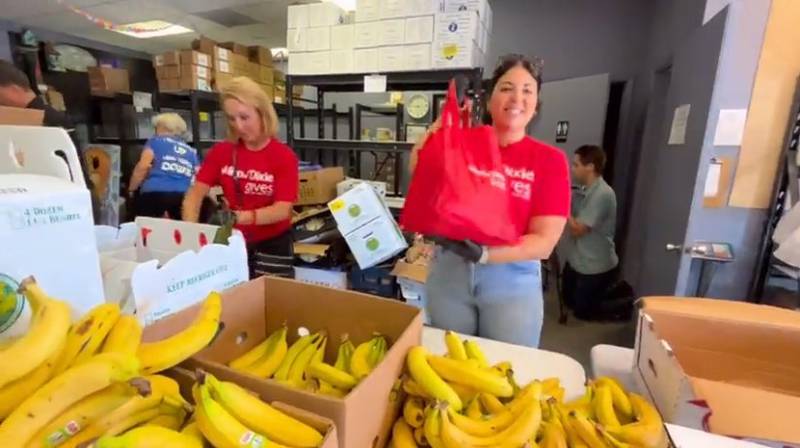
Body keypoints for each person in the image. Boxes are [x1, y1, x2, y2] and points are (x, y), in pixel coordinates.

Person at [410, 55, 571, 347]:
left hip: (512, 278)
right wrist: (443, 127)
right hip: (450, 268)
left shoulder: (549, 161)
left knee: (508, 368)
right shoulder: (465, 144)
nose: (517, 98)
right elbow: (420, 171)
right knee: (448, 361)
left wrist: (484, 255)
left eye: (527, 90)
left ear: (536, 106)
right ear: (489, 98)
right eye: (507, 87)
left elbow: (544, 241)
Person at [182, 76, 298, 277]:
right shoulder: (222, 152)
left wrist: (239, 217)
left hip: (273, 245)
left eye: (244, 118)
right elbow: (194, 195)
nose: (238, 126)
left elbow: (282, 210)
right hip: (233, 242)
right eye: (231, 118)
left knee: (270, 303)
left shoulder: (283, 156)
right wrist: (191, 233)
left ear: (262, 114)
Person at [0, 60, 97, 220]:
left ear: (14, 90)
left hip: (68, 206)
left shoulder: (44, 119)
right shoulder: (44, 116)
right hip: (65, 203)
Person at [561, 144, 619, 320]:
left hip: (594, 264)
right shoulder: (583, 189)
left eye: (576, 165)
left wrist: (561, 206)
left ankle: (621, 302)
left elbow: (578, 230)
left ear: (590, 167)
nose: (572, 169)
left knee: (583, 313)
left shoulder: (603, 194)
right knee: (568, 301)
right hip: (577, 259)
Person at [127, 113, 199, 219]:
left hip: (154, 195)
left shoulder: (154, 142)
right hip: (183, 197)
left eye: (156, 127)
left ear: (163, 127)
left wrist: (131, 189)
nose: (155, 131)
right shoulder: (190, 150)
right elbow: (199, 174)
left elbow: (143, 166)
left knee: (147, 230)